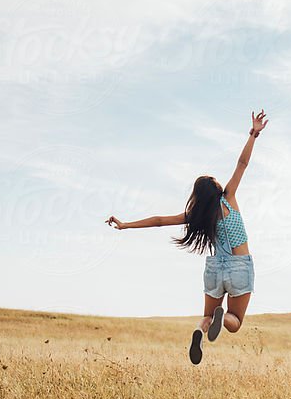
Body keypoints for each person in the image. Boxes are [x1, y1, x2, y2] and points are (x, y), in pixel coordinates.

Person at [105, 110, 269, 364]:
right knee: (235, 322)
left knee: (206, 315)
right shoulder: (229, 199)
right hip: (239, 266)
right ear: (216, 189)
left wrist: (125, 225)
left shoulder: (196, 216)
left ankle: (202, 329)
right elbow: (242, 164)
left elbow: (159, 220)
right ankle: (221, 318)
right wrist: (253, 135)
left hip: (214, 268)